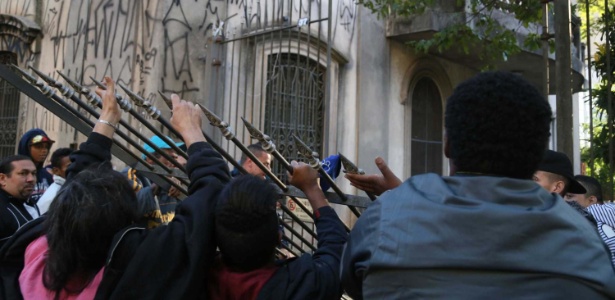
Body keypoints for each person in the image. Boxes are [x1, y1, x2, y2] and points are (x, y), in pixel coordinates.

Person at [341, 71, 615, 299]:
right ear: (536, 154)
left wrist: (399, 199)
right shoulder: (585, 243)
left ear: (447, 144)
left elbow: (352, 283)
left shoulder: (384, 220)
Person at [209, 161, 347, 299]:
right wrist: (312, 188)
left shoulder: (196, 272)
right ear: (279, 237)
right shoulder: (299, 288)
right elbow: (336, 255)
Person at [124, 135, 184, 227]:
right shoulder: (133, 174)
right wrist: (160, 185)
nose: (175, 162)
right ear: (150, 159)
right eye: (170, 157)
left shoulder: (177, 180)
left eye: (175, 157)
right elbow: (129, 208)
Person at [567, 175, 615, 266]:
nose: (564, 200)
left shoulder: (586, 214)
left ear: (591, 200)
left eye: (569, 196)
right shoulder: (610, 211)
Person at [0, 155, 38, 248]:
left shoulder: (29, 202)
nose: (31, 179)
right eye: (23, 173)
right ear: (2, 179)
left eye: (33, 173)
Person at [17, 129, 55, 206]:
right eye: (39, 147)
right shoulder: (14, 174)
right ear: (26, 147)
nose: (44, 151)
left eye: (46, 147)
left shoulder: (47, 175)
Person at [36, 148, 72, 215]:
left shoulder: (70, 188)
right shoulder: (53, 197)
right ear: (56, 171)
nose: (74, 168)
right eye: (70, 166)